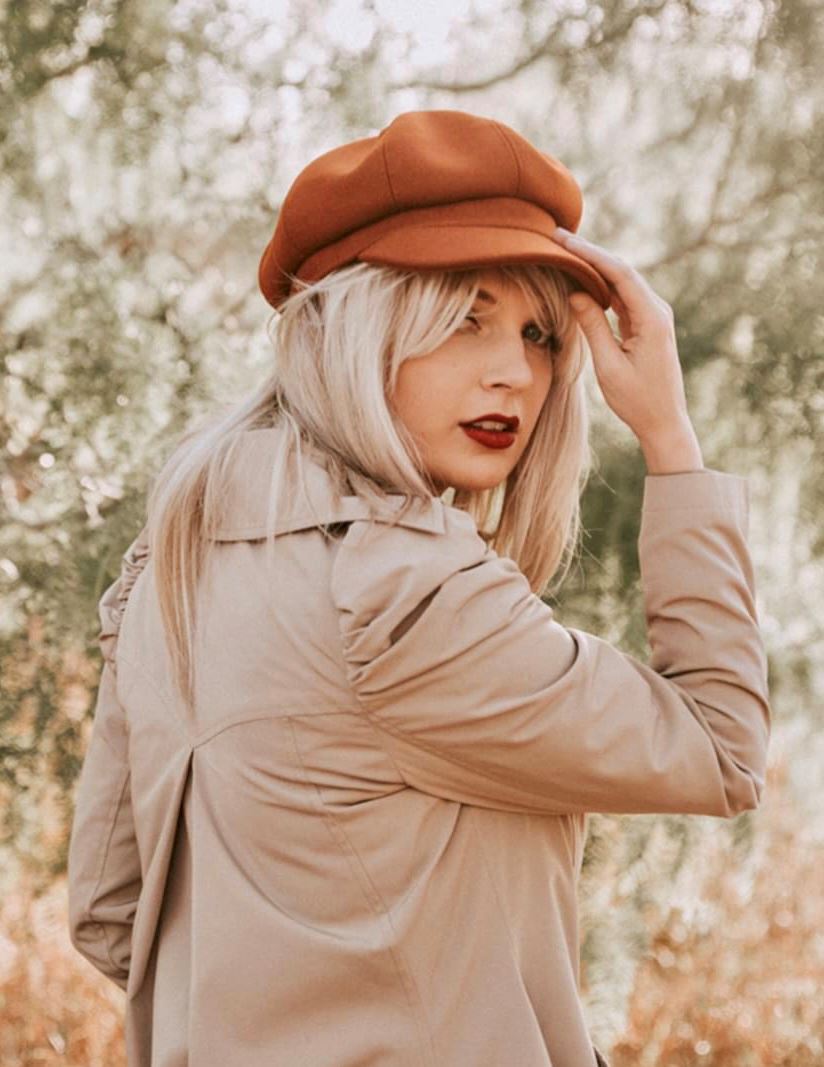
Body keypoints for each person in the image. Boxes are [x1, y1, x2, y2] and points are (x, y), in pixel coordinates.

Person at [66, 109, 771, 1067]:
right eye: (461, 318)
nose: (514, 373)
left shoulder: (171, 566)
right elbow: (723, 748)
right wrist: (672, 441)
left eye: (539, 334)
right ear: (355, 327)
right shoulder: (405, 592)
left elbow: (115, 915)